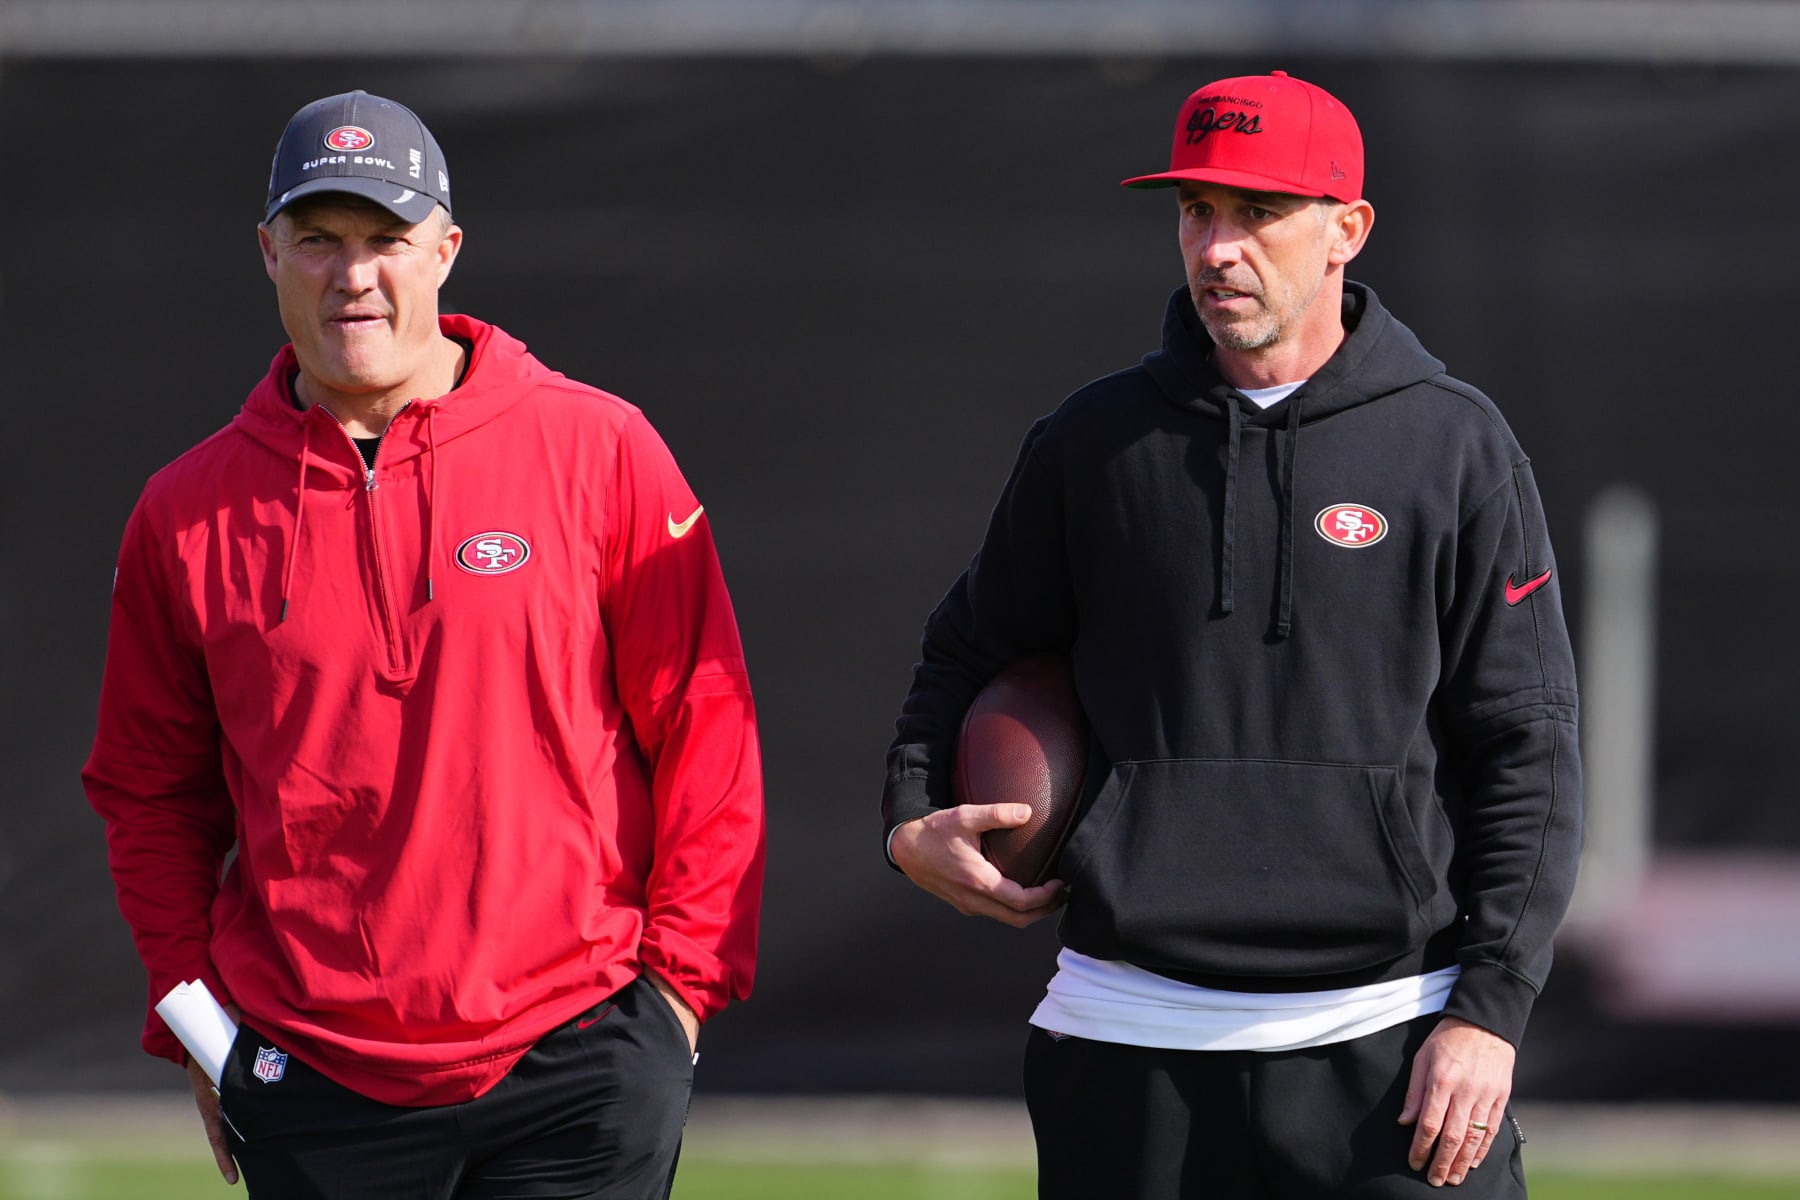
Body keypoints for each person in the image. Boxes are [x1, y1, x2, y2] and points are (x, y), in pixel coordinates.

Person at [882, 71, 1580, 1197]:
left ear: (1346, 230)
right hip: (1125, 1035)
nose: (1217, 249)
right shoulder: (1093, 443)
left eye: (1257, 214)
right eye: (1196, 211)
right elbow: (965, 651)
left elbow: (1528, 748)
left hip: (1393, 1043)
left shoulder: (1457, 446)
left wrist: (1491, 1014)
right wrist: (912, 816)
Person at [83, 90, 764, 1199]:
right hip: (313, 1069)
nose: (355, 275)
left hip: (580, 1052)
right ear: (268, 254)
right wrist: (201, 1029)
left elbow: (706, 723)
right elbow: (149, 794)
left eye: (386, 239)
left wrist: (678, 1000)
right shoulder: (183, 511)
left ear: (444, 250)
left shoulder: (600, 449)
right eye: (318, 241)